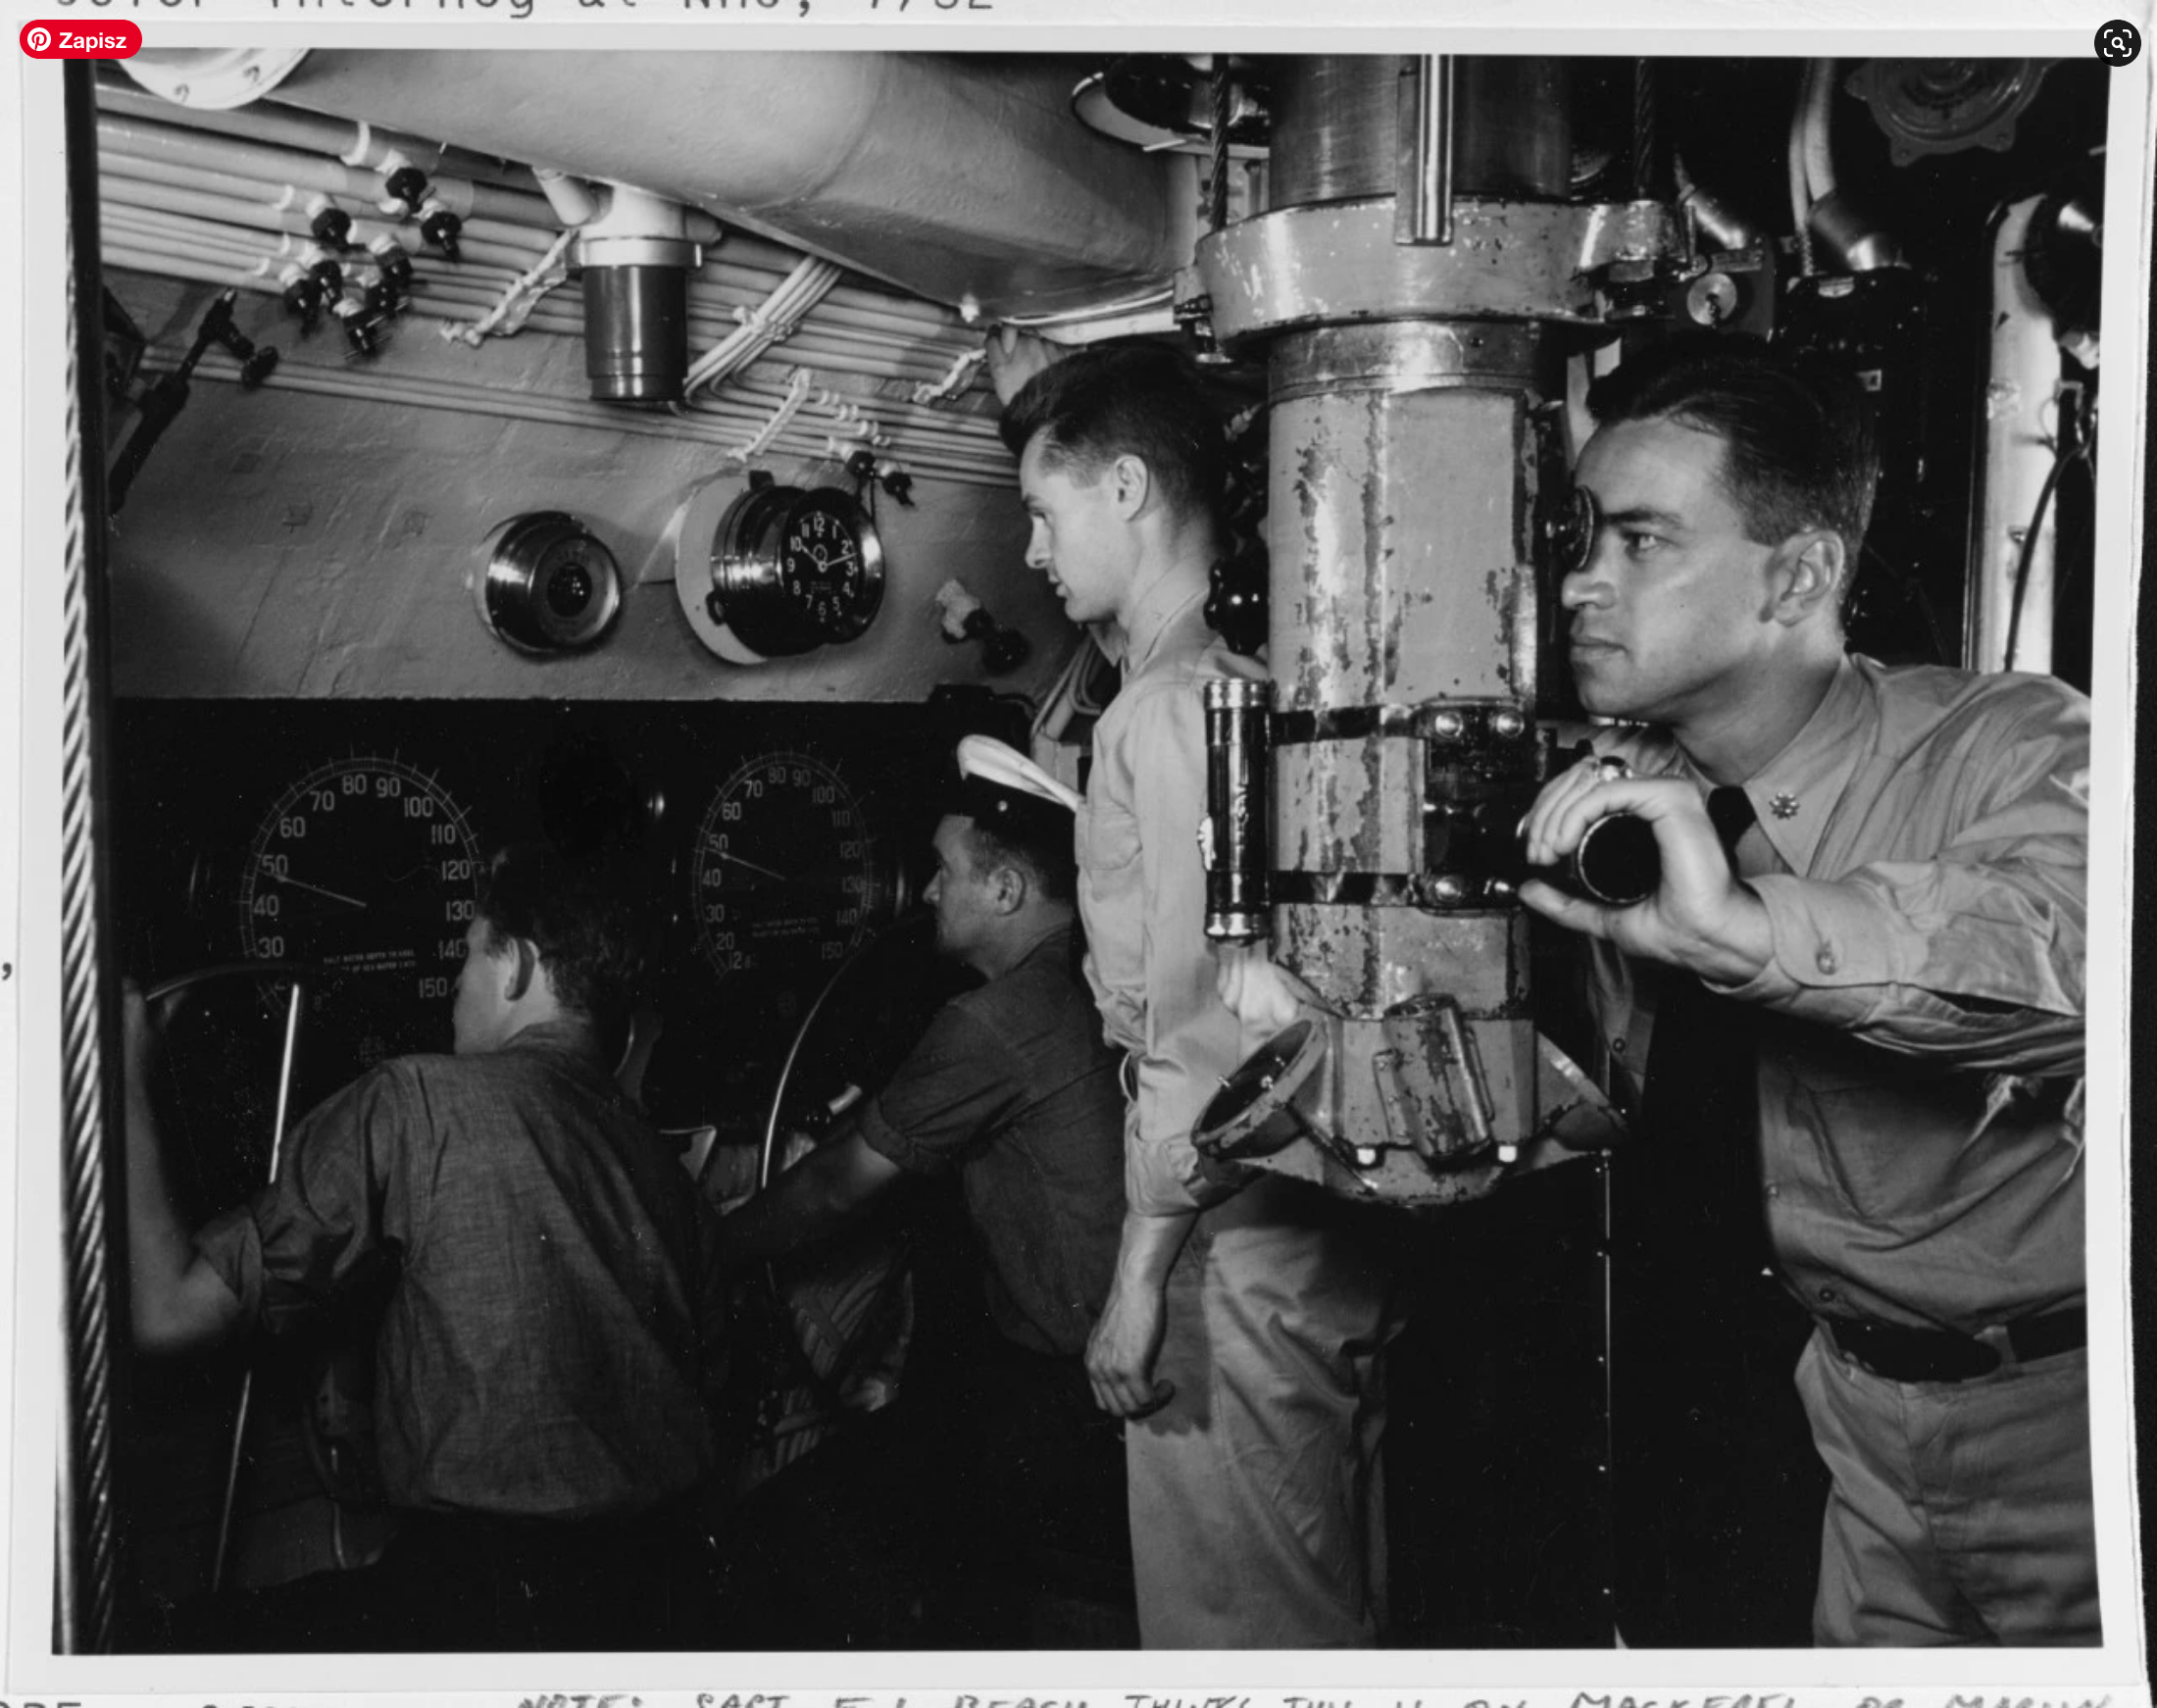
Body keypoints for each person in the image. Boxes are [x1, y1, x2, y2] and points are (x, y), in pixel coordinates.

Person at [1517, 334, 2093, 1646]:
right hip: (1853, 1416)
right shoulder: (1625, 795)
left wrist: (1747, 932)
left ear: (1799, 574)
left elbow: (2071, 957)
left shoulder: (2014, 741)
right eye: (1583, 536)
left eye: (1642, 541)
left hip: (2058, 1422)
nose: (1580, 581)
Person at [996, 339, 1392, 1649]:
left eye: (1044, 513)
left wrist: (1139, 1277)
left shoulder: (1170, 714)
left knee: (1239, 1626)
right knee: (1325, 1592)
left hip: (1222, 1220)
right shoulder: (1244, 689)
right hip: (1303, 1209)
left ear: (1124, 489)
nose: (1035, 553)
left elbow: (1201, 1026)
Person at [123, 842, 730, 1651]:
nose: (452, 985)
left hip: (488, 1600)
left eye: (469, 955)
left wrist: (122, 1070)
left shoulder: (417, 1100)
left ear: (517, 967)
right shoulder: (668, 1174)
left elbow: (167, 1313)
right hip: (671, 1599)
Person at [714, 736, 1129, 1643]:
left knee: (783, 1534)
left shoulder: (994, 1021)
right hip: (1091, 1377)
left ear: (1007, 891)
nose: (929, 891)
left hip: (1068, 1404)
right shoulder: (1087, 978)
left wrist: (712, 1248)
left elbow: (836, 1190)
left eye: (945, 871)